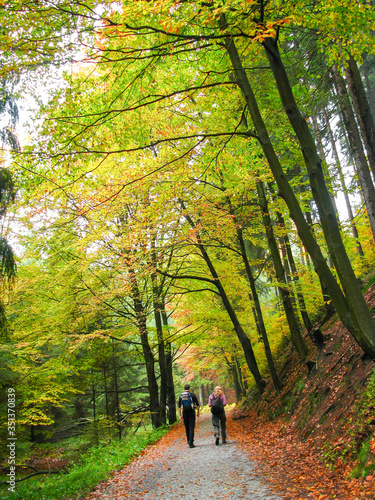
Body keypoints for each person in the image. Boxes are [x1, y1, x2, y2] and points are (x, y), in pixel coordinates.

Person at [178, 384, 200, 448]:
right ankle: (191, 442)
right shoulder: (192, 395)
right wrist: (198, 413)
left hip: (185, 413)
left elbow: (179, 407)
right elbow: (197, 404)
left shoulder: (181, 396)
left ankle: (188, 441)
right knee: (191, 427)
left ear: (184, 389)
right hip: (192, 412)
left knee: (187, 427)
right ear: (189, 389)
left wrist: (180, 415)